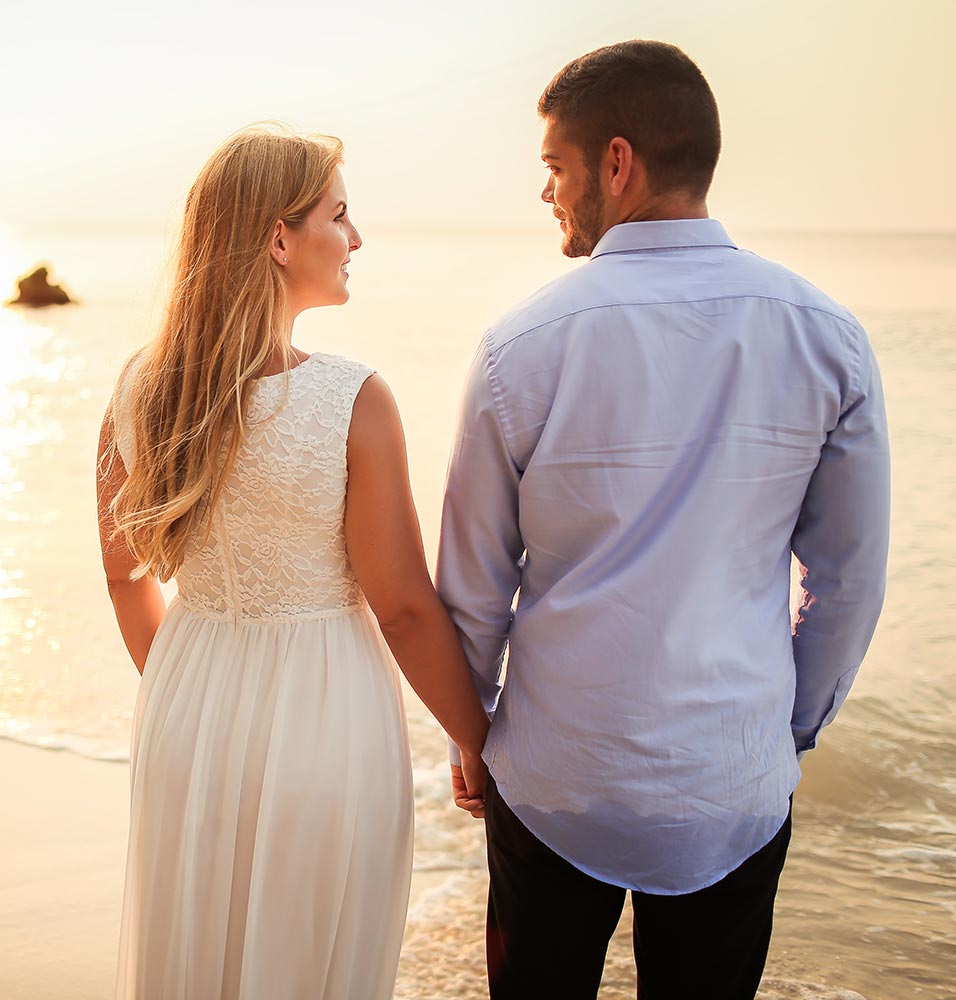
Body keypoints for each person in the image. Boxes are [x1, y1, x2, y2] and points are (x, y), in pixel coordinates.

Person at [437, 40, 892, 999]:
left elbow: (473, 589)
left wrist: (471, 736)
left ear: (616, 162)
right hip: (733, 784)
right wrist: (785, 730)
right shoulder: (828, 338)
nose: (549, 194)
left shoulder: (521, 346)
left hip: (556, 779)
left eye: (555, 168)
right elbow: (850, 581)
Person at [96, 125, 491, 1000]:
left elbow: (125, 578)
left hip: (184, 707)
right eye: (340, 216)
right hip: (323, 720)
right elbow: (402, 608)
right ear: (280, 238)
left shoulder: (136, 388)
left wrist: (189, 694)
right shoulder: (352, 398)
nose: (356, 240)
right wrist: (479, 737)